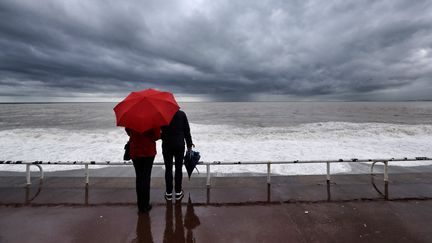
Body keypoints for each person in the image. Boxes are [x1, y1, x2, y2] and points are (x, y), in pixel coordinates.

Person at [161, 110, 194, 201]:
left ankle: (168, 193)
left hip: (167, 145)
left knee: (168, 169)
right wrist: (189, 145)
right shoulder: (182, 114)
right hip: (179, 145)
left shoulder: (163, 115)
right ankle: (178, 192)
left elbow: (159, 133)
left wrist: (163, 135)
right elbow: (187, 130)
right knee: (178, 168)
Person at [126, 127, 160, 213]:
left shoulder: (131, 117)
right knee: (146, 177)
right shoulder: (152, 119)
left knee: (139, 177)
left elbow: (128, 131)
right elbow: (156, 136)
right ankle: (146, 205)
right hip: (148, 151)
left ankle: (140, 205)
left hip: (135, 150)